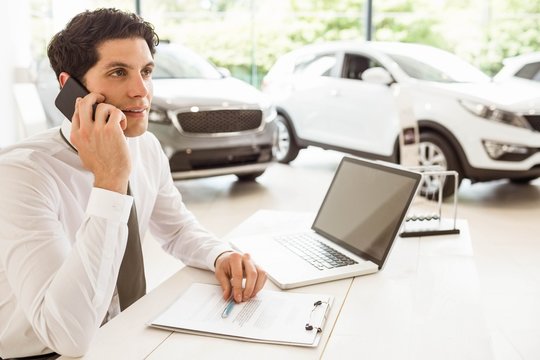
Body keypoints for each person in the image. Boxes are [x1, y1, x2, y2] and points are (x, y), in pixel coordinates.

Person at [0, 8, 266, 359]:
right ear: (71, 88)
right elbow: (66, 336)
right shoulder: (21, 174)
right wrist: (109, 181)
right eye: (118, 72)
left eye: (146, 71)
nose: (141, 90)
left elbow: (176, 228)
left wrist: (219, 254)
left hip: (120, 333)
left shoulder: (145, 146)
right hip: (43, 352)